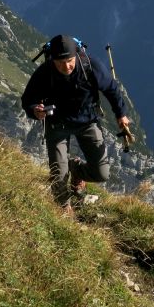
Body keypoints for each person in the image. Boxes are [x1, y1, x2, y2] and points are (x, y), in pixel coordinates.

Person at [21, 34, 131, 211]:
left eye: (70, 60)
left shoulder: (90, 66)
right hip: (57, 124)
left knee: (101, 173)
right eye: (60, 62)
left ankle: (76, 169)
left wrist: (121, 114)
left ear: (77, 55)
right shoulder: (44, 72)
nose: (66, 66)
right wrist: (35, 110)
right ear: (53, 60)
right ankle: (64, 209)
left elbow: (111, 89)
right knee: (58, 177)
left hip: (87, 121)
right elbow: (28, 99)